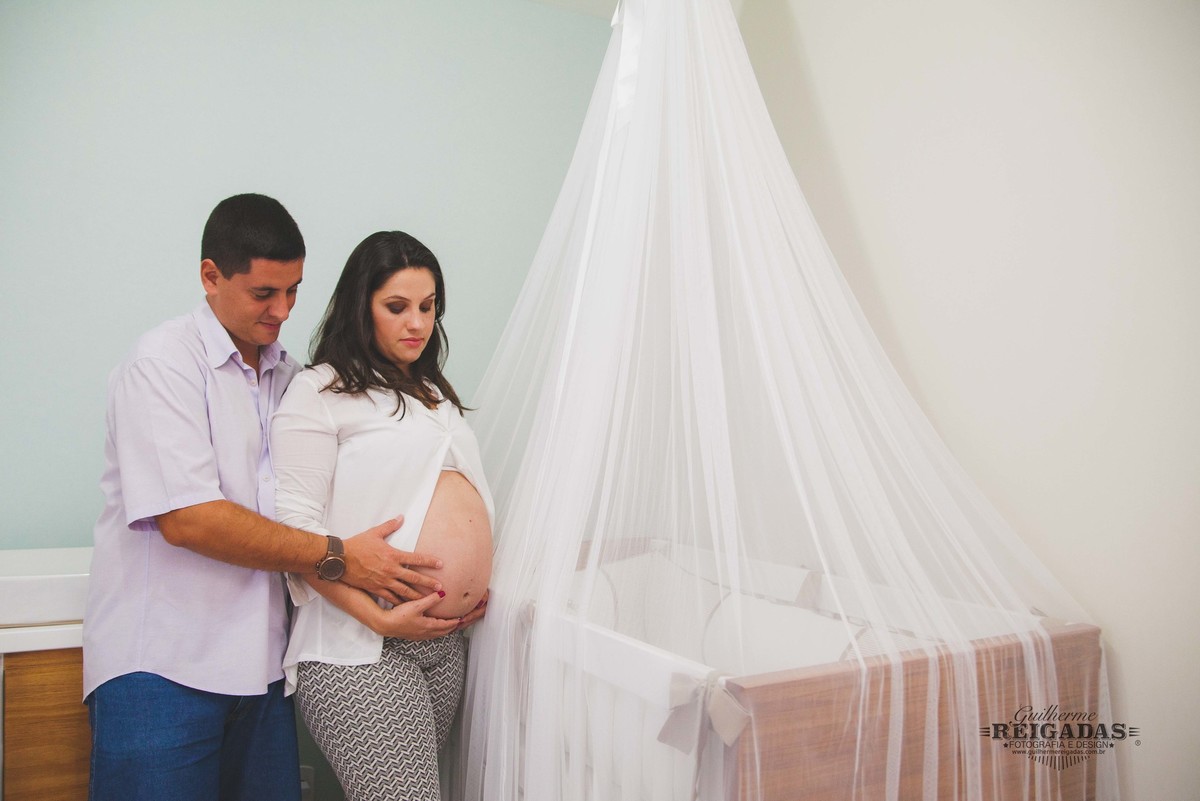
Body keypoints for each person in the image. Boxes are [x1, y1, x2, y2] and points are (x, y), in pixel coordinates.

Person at [82, 194, 448, 801]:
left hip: (262, 672)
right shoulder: (163, 365)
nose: (282, 309)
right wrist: (340, 555)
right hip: (161, 670)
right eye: (263, 293)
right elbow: (190, 519)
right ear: (211, 276)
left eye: (294, 290)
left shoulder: (293, 378)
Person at [270, 230, 494, 801]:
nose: (417, 323)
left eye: (428, 306)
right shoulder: (319, 392)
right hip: (359, 647)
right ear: (360, 306)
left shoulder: (432, 392)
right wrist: (378, 619)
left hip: (442, 644)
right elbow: (294, 535)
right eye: (397, 307)